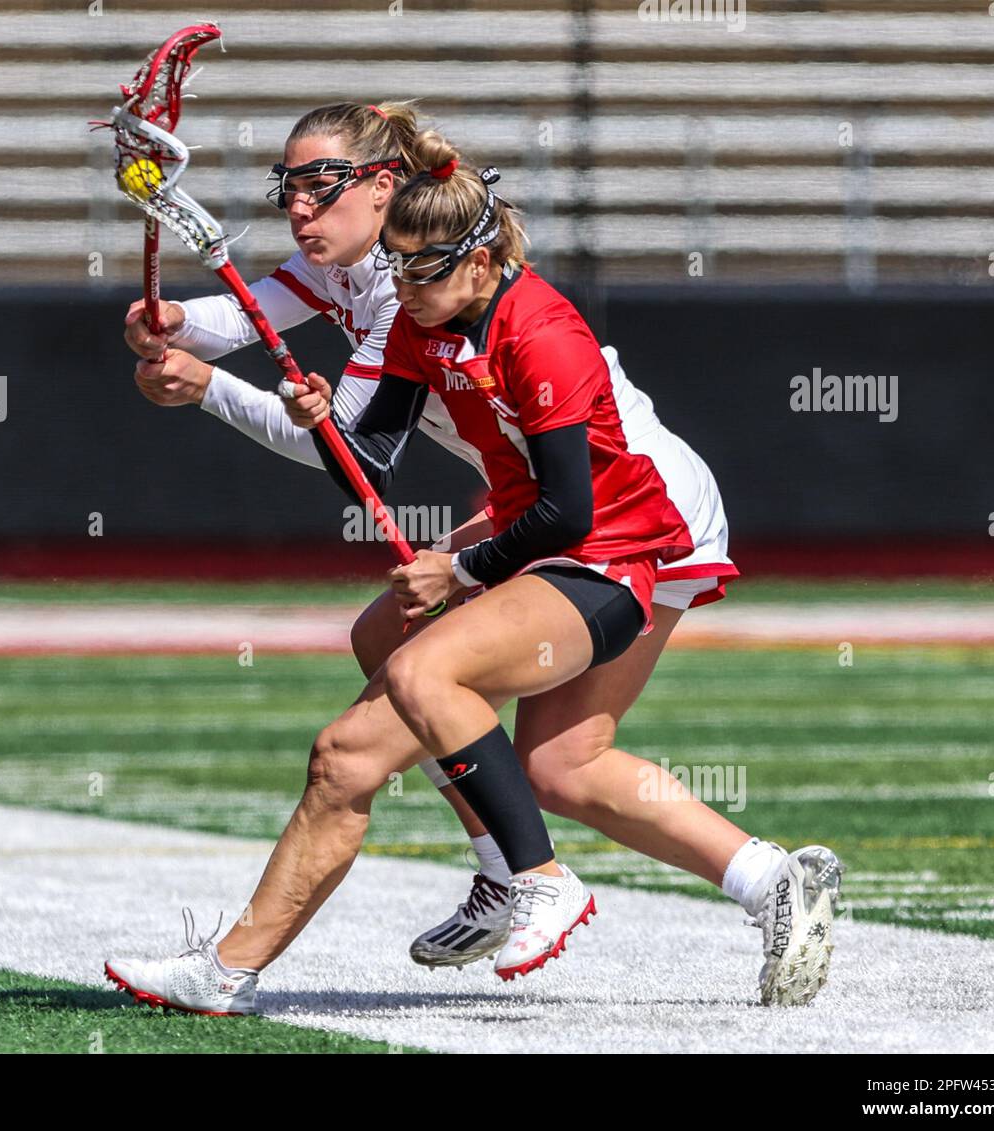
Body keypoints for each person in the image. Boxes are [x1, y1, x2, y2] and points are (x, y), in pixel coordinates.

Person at [106, 127, 843, 1012]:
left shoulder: (435, 294)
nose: (299, 205)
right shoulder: (399, 281)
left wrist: (457, 567)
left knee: (433, 688)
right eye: (286, 185)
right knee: (540, 750)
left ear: (386, 188)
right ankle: (758, 880)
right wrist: (192, 341)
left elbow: (557, 501)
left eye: (322, 183)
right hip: (543, 502)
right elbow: (338, 424)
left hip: (630, 513)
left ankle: (524, 873)